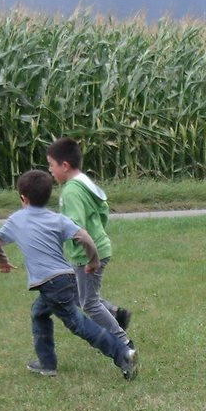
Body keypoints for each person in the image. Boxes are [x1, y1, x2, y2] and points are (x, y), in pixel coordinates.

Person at [0, 168, 139, 380]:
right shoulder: (57, 219)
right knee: (39, 313)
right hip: (66, 277)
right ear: (48, 196)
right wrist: (93, 260)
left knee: (79, 324)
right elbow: (85, 237)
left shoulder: (16, 220)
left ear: (23, 198)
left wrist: (2, 261)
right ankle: (47, 363)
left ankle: (122, 353)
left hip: (51, 284)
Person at [46, 136, 133, 353]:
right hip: (97, 248)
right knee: (84, 295)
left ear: (64, 166)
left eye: (51, 165)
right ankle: (115, 315)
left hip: (88, 255)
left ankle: (123, 343)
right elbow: (102, 211)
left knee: (89, 304)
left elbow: (76, 228)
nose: (50, 170)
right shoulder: (85, 182)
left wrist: (90, 256)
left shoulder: (71, 191)